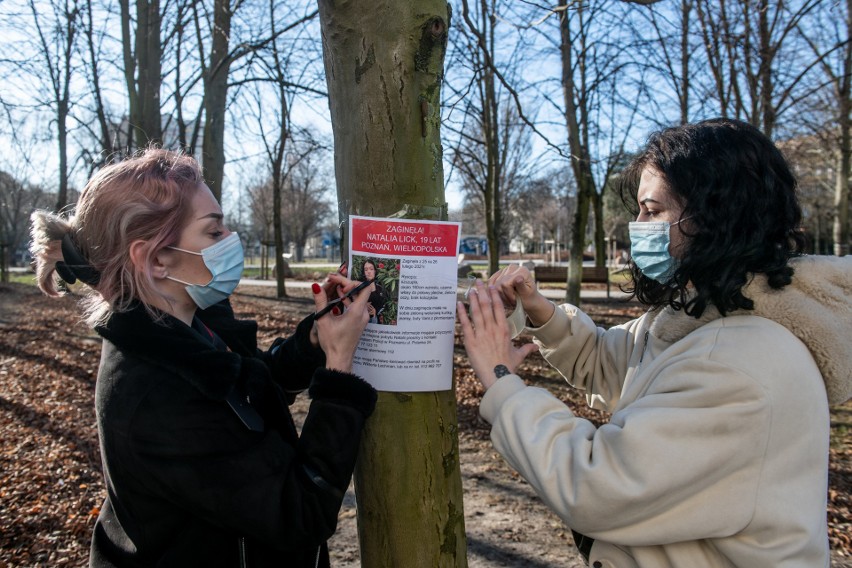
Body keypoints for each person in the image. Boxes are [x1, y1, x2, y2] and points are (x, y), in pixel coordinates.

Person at [458, 118, 851, 568]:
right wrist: (539, 311)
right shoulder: (702, 315)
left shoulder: (741, 366)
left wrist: (501, 380)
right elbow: (613, 363)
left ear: (713, 216)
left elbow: (597, 486)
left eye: (652, 210)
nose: (637, 225)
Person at [29, 148, 377, 568]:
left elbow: (249, 389)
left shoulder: (184, 327)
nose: (231, 240)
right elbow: (299, 512)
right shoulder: (153, 395)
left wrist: (316, 338)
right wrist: (338, 372)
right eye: (213, 233)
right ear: (156, 259)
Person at [360, 258, 388, 324]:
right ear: (363, 272)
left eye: (371, 269)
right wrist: (363, 306)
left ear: (375, 271)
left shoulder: (381, 288)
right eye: (366, 269)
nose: (369, 271)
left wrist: (375, 312)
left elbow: (385, 306)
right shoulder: (360, 288)